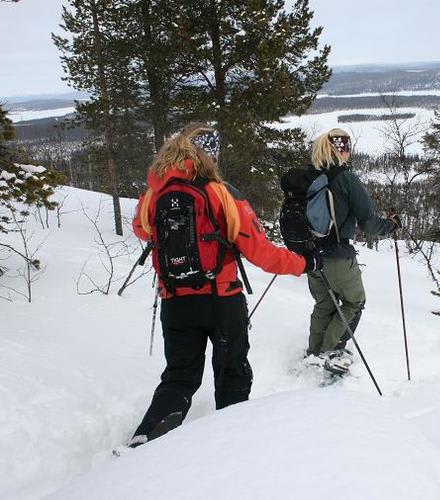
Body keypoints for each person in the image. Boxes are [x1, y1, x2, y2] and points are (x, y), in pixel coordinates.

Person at [129, 123, 322, 446]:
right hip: (221, 300)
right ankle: (232, 451)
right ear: (209, 156)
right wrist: (303, 263)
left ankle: (144, 440)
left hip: (174, 301)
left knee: (178, 378)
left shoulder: (154, 195)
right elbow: (260, 252)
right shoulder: (221, 193)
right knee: (232, 374)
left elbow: (142, 230)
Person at [304, 128, 400, 372]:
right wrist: (391, 225)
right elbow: (368, 222)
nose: (348, 151)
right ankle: (331, 351)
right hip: (338, 256)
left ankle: (314, 351)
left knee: (324, 304)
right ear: (341, 149)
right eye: (346, 147)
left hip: (311, 256)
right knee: (354, 301)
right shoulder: (346, 178)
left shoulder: (308, 176)